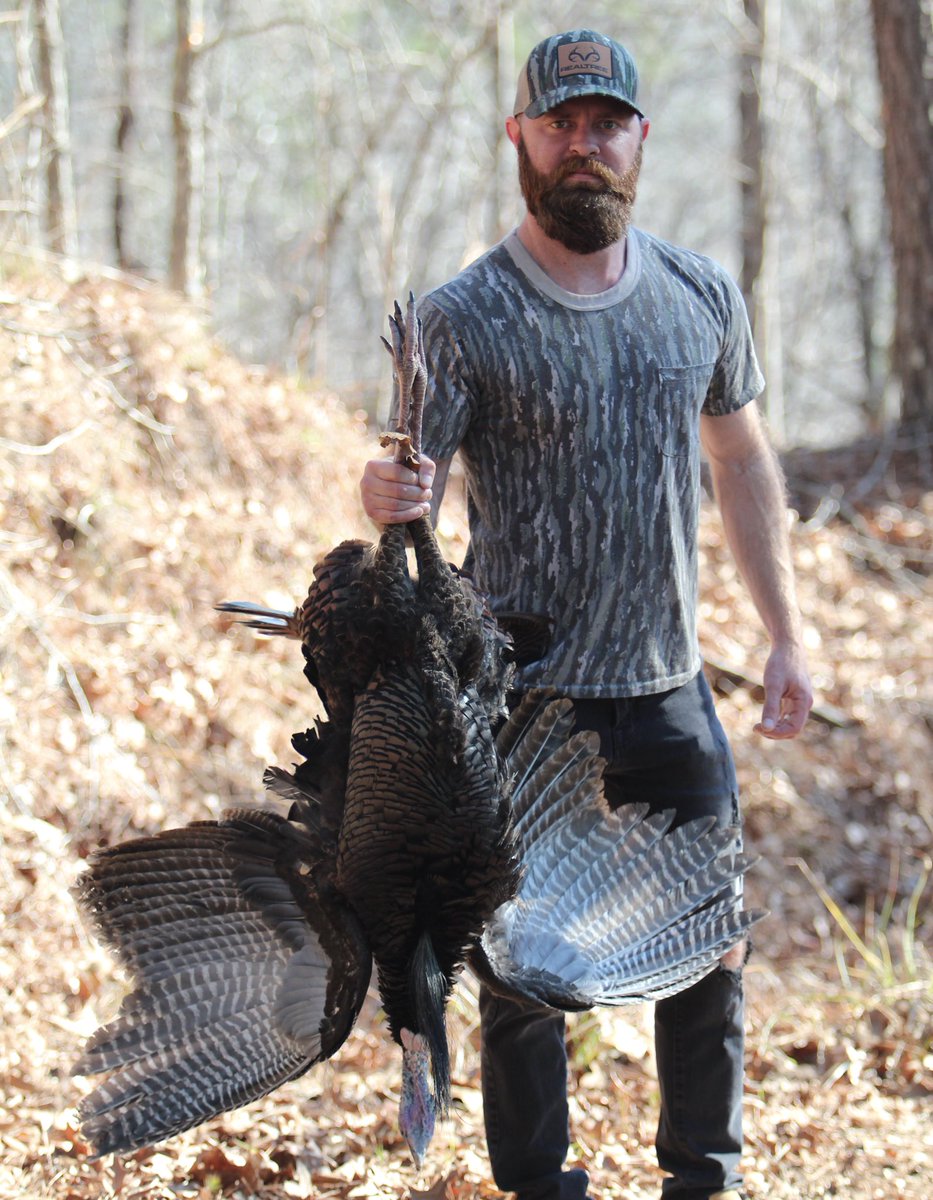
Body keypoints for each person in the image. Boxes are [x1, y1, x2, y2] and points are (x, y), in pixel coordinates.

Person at [360, 28, 812, 1200]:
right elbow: (411, 484)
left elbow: (743, 462)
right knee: (523, 986)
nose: (583, 146)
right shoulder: (462, 315)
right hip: (527, 698)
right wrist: (387, 492)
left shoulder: (700, 293)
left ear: (638, 141)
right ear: (520, 136)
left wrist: (787, 632)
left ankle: (701, 1182)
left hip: (669, 688)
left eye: (605, 123)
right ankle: (541, 1189)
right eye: (559, 123)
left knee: (708, 961)